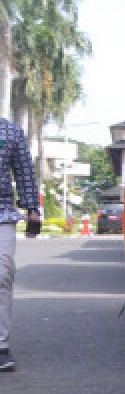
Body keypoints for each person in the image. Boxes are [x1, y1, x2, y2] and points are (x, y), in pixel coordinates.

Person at [0, 119, 40, 372]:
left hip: (2, 212)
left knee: (2, 273)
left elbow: (24, 172)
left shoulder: (10, 131)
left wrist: (32, 210)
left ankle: (0, 346)